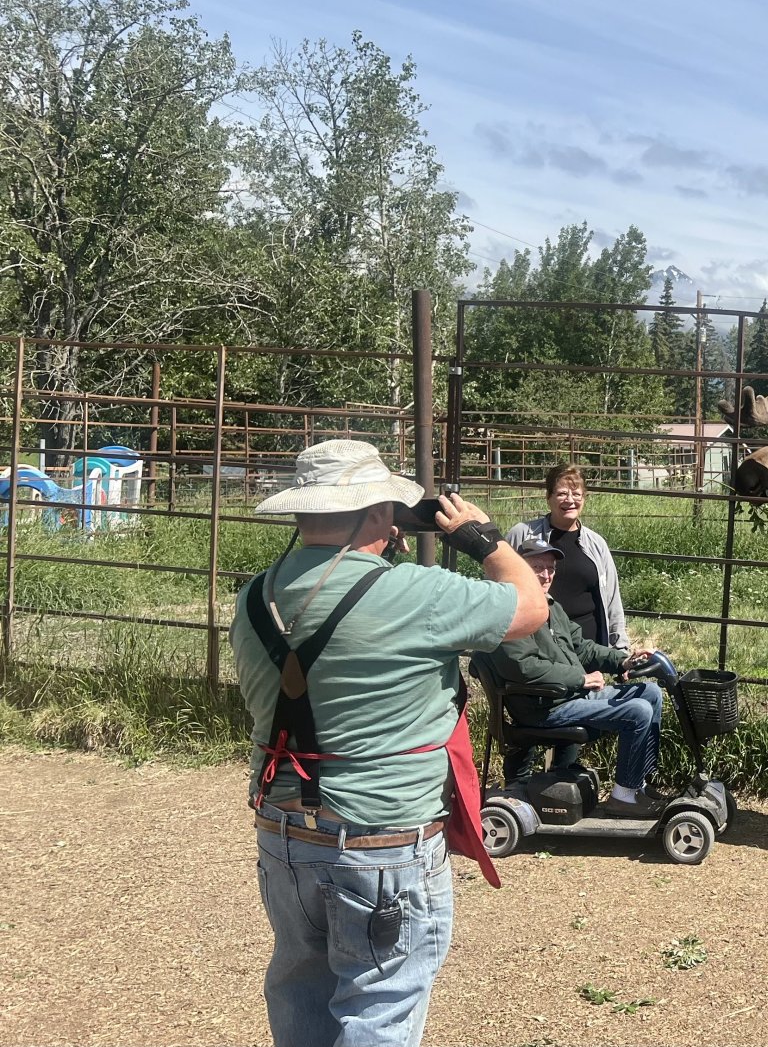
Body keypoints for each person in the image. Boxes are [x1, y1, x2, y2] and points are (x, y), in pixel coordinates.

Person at [229, 439, 547, 1047]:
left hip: (283, 831)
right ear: (379, 511)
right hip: (384, 841)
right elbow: (531, 605)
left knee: (300, 992)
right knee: (381, 1005)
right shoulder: (416, 594)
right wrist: (483, 540)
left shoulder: (254, 598)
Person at [473, 536, 666, 819]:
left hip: (568, 695)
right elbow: (523, 668)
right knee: (637, 711)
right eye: (537, 567)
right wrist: (580, 679)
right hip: (544, 707)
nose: (547, 574)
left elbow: (582, 646)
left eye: (550, 568)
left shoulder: (551, 606)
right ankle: (623, 796)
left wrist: (623, 660)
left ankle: (637, 784)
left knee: (650, 693)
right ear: (519, 568)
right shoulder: (509, 613)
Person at [504, 462, 629, 781]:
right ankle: (518, 784)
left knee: (572, 711)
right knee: (528, 709)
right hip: (531, 637)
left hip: (579, 639)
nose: (569, 499)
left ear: (585, 498)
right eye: (561, 492)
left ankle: (558, 782)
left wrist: (619, 646)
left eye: (576, 493)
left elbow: (611, 597)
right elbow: (501, 578)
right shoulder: (523, 535)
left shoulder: (595, 544)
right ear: (548, 497)